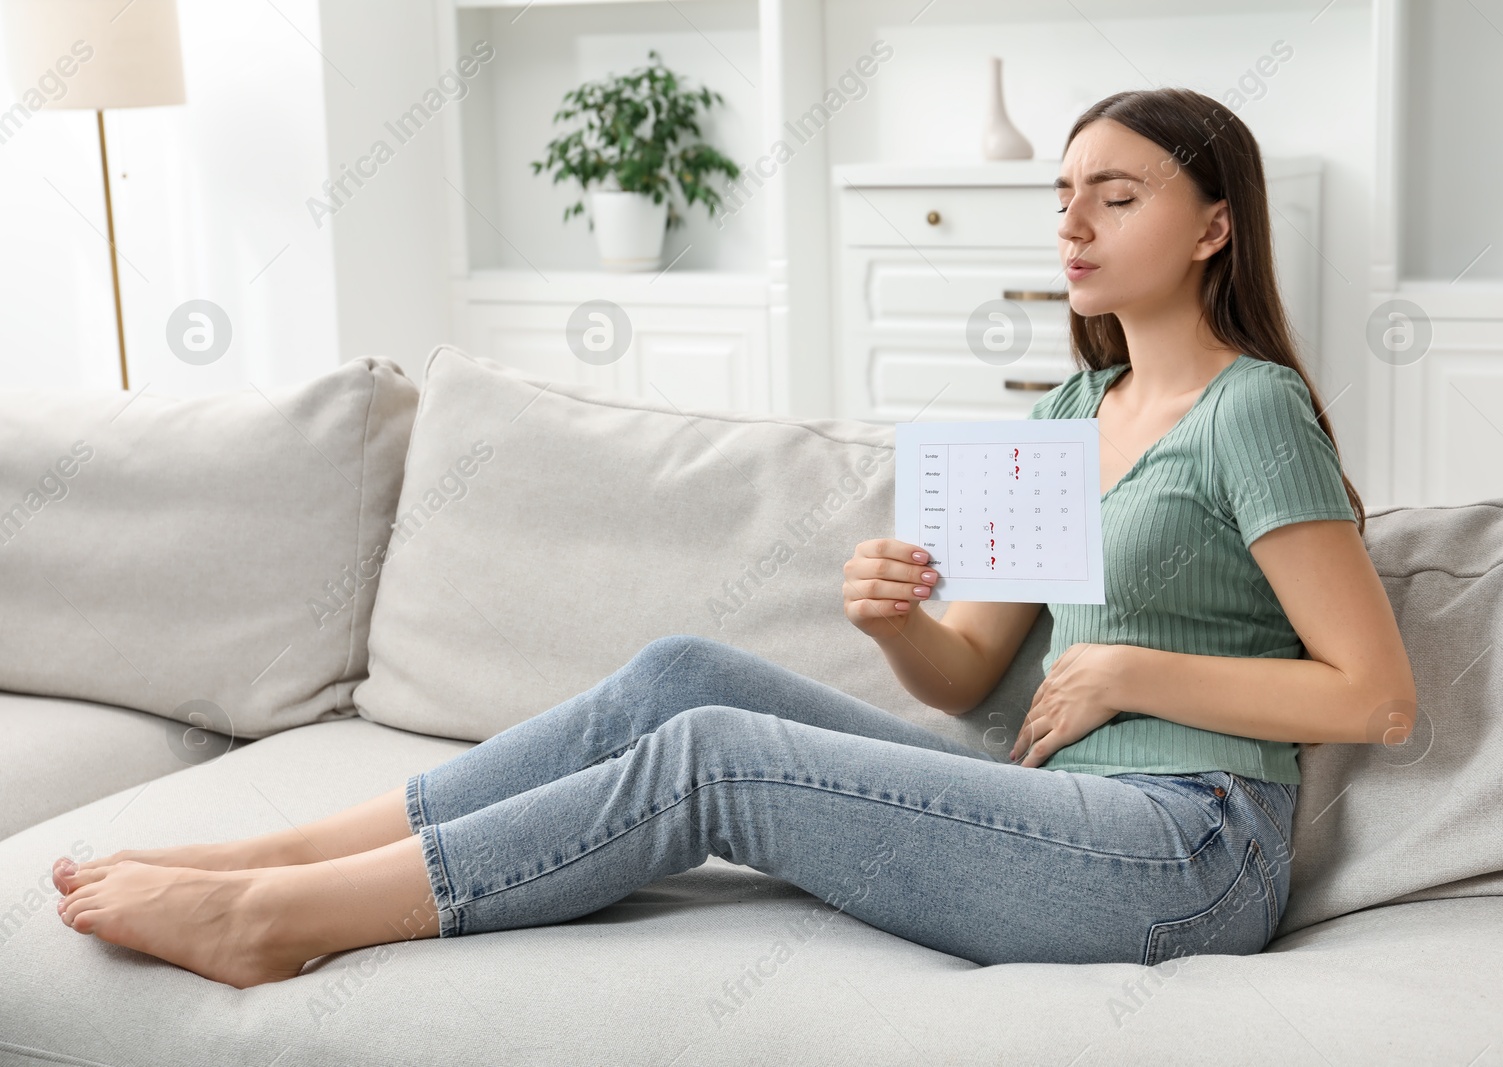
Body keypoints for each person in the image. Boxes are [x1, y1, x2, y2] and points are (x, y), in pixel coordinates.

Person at [51, 87, 1417, 989]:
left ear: (1214, 225)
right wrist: (897, 623)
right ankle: (282, 853)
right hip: (1055, 799)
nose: (1071, 218)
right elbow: (966, 677)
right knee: (679, 677)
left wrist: (1131, 672)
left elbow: (1376, 696)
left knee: (710, 761)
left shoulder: (1254, 410)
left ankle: (279, 925)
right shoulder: (1067, 409)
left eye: (1117, 195)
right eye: (1062, 191)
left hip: (1189, 846)